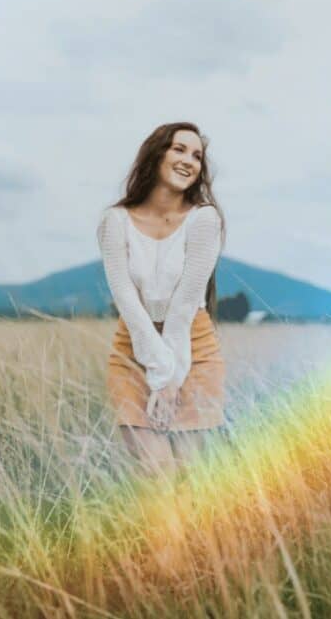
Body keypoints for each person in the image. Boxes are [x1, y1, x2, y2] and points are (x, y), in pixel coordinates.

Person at [96, 122, 224, 476]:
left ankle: (195, 534)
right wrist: (158, 373)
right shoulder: (115, 221)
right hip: (134, 344)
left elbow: (183, 309)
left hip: (193, 347)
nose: (190, 161)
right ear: (156, 155)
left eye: (197, 156)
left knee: (188, 476)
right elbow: (125, 297)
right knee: (158, 474)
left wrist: (169, 379)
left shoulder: (204, 219)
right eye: (179, 149)